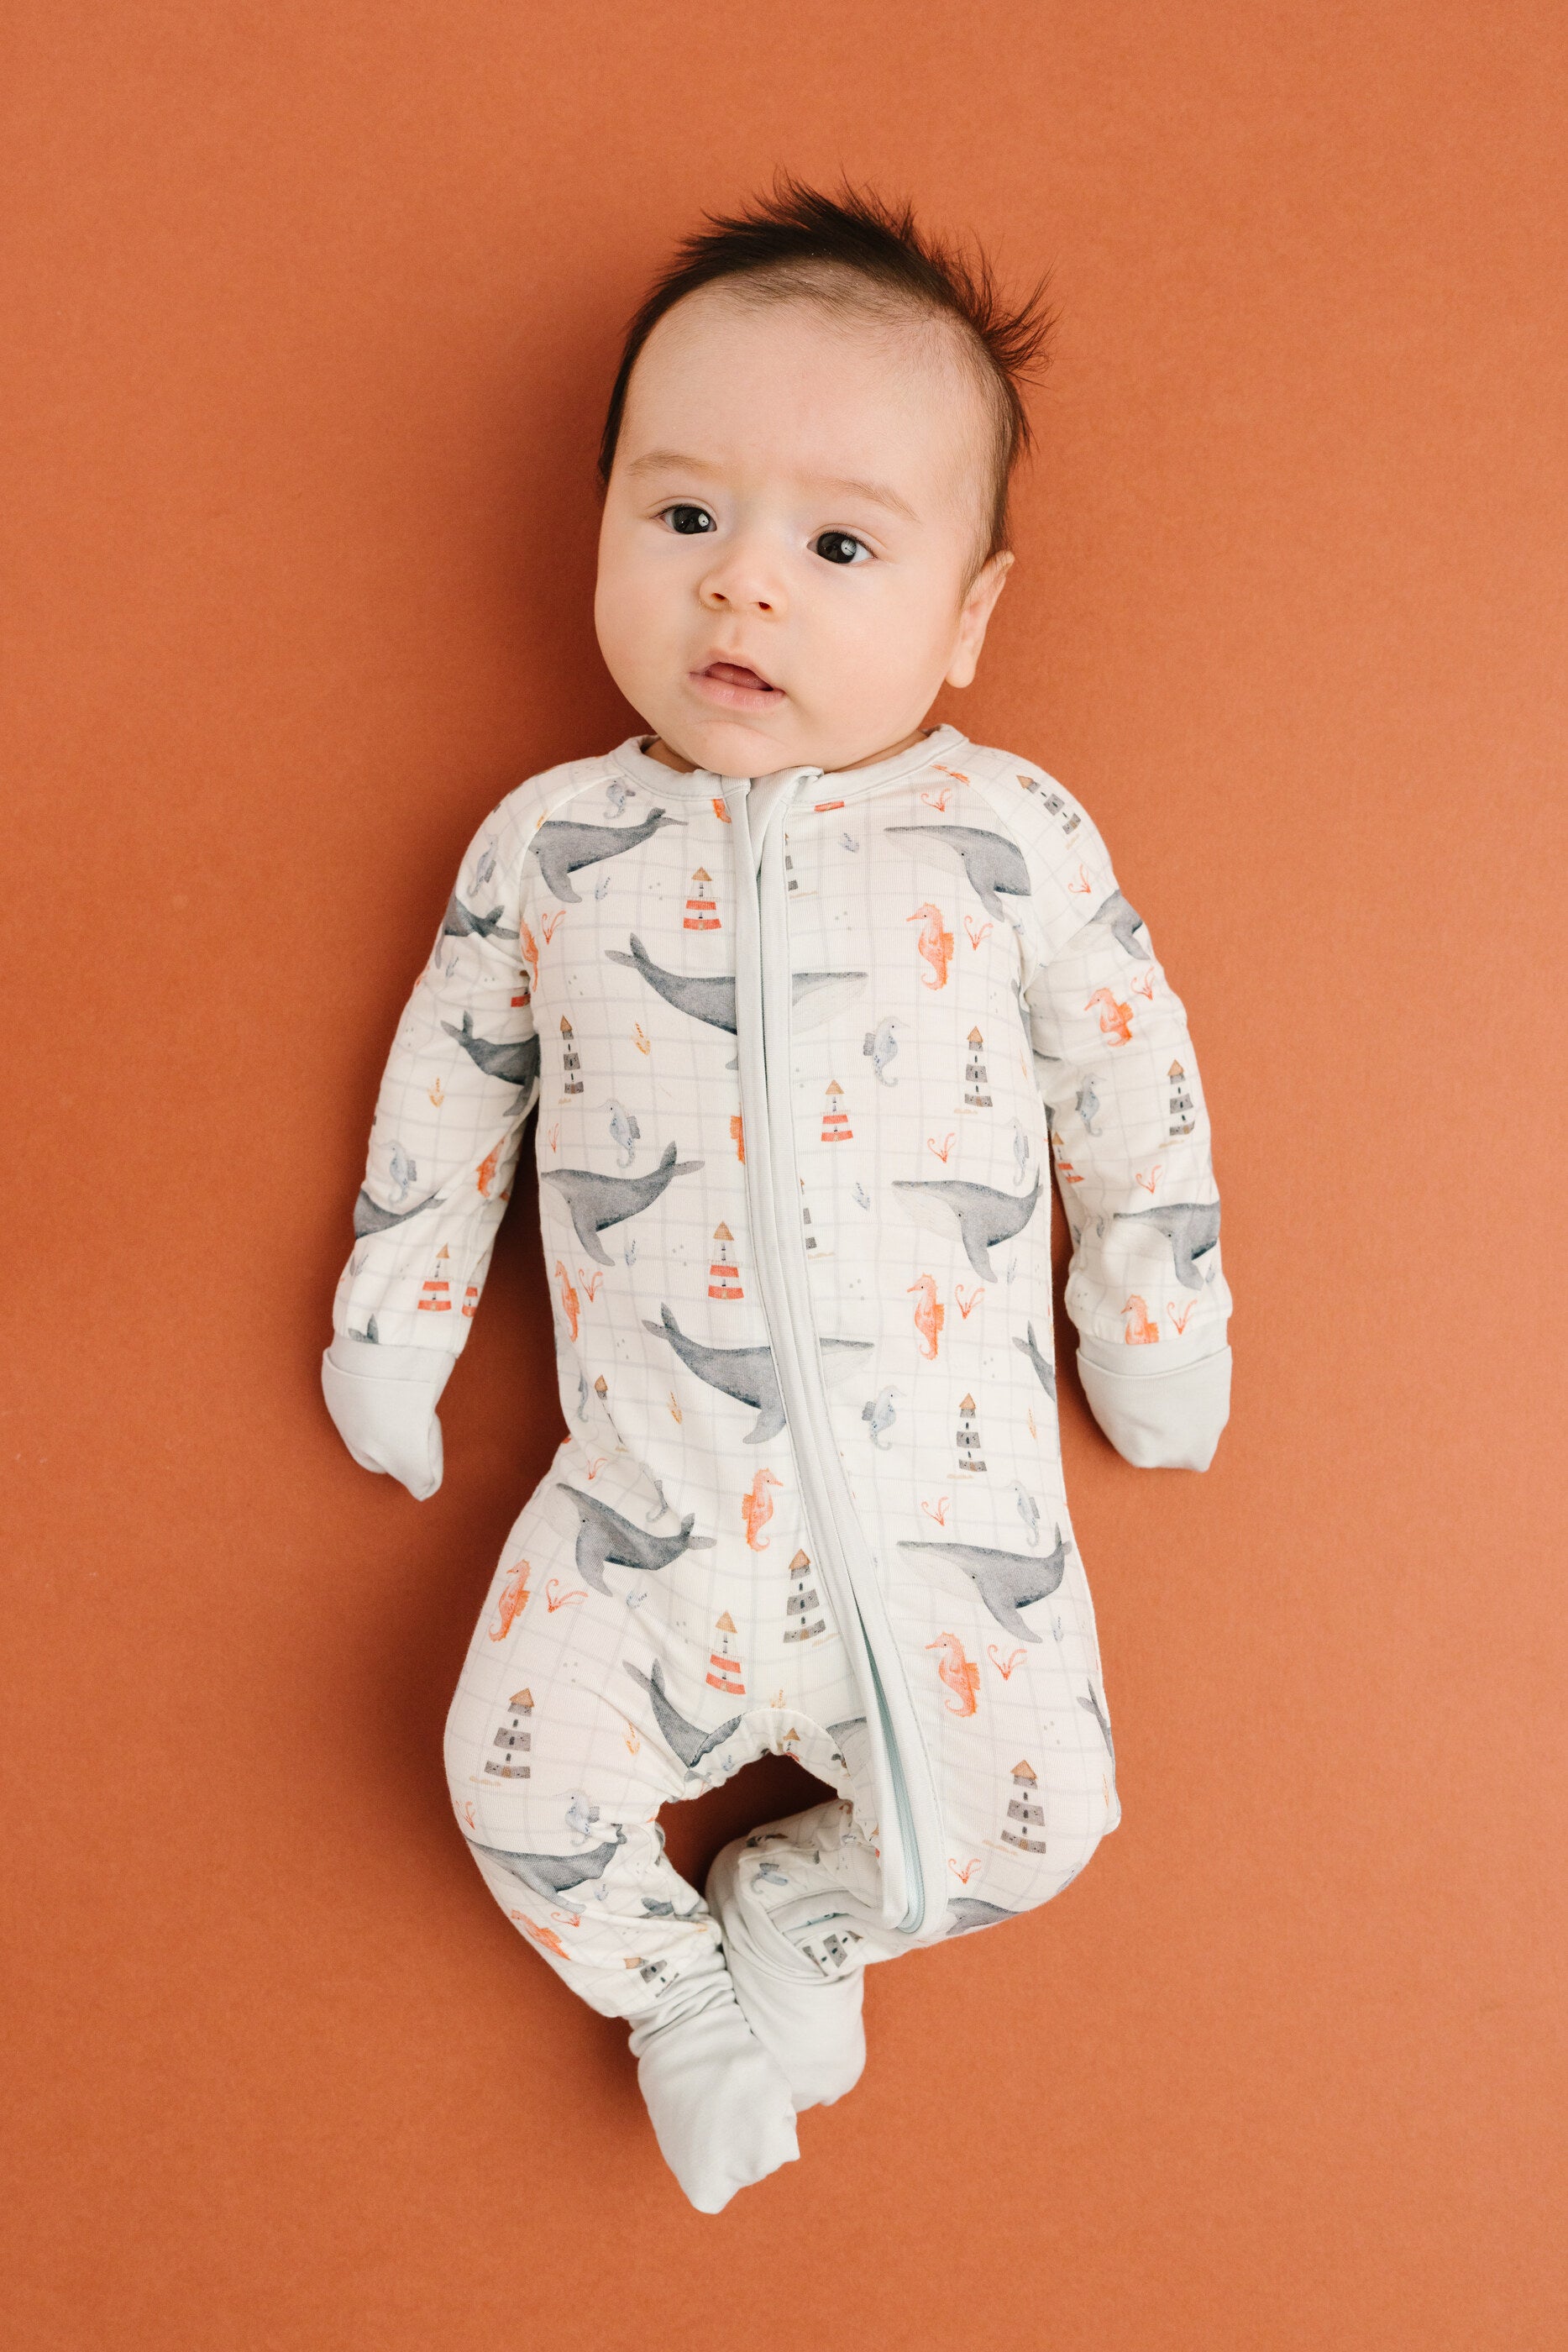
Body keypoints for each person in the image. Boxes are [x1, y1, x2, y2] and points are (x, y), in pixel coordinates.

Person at [321, 179, 1233, 2212]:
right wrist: (392, 1325)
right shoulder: (552, 847)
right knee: (509, 1773)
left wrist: (1157, 1316)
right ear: (603, 531)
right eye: (682, 515)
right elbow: (447, 1091)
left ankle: (805, 1902)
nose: (744, 585)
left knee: (1042, 1822)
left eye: (837, 545)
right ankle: (677, 1995)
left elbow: (1132, 1079)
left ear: (966, 618)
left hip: (944, 1528)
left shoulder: (1003, 835)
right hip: (645, 1505)